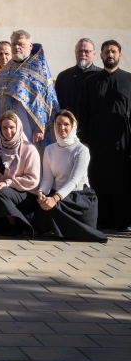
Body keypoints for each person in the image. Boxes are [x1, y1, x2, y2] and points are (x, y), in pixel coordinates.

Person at [79, 40, 131, 232]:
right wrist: (84, 140)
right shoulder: (90, 81)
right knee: (99, 178)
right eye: (106, 51)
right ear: (100, 55)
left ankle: (123, 221)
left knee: (122, 179)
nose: (110, 54)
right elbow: (83, 112)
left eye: (114, 51)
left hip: (123, 139)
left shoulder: (129, 80)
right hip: (97, 138)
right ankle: (101, 219)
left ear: (120, 55)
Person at [34, 110, 106, 242]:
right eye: (58, 124)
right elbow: (48, 178)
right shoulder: (49, 149)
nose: (62, 128)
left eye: (66, 124)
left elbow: (74, 180)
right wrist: (41, 193)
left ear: (73, 127)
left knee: (52, 207)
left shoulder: (81, 150)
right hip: (58, 196)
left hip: (78, 199)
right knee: (43, 208)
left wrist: (54, 199)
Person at [0, 30, 59, 148]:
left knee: (26, 154)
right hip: (1, 121)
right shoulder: (8, 67)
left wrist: (40, 126)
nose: (17, 47)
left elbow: (47, 98)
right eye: (14, 44)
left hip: (26, 122)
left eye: (21, 44)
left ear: (30, 46)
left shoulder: (38, 68)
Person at [0, 111, 41, 237]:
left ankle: (17, 225)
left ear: (18, 127)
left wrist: (8, 183)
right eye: (4, 127)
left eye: (12, 127)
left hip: (26, 194)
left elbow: (32, 179)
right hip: (0, 193)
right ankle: (7, 222)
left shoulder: (29, 149)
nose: (8, 131)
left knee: (1, 192)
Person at [55, 38, 100, 119]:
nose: (83, 54)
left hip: (94, 126)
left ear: (94, 54)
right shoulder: (63, 76)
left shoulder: (101, 76)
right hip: (69, 126)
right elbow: (57, 104)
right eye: (79, 51)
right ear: (75, 53)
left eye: (87, 51)